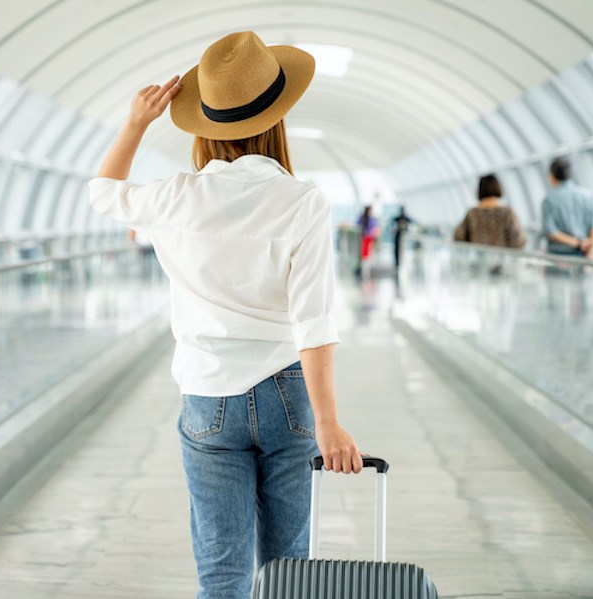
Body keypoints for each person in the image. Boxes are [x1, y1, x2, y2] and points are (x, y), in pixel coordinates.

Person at [87, 31, 362, 598]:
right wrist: (330, 423)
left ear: (206, 127)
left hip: (207, 397)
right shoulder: (303, 202)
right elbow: (314, 322)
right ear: (276, 120)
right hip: (288, 394)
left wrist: (136, 123)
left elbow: (102, 193)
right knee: (289, 570)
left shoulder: (173, 197)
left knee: (221, 571)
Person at [541, 157, 593, 258]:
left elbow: (552, 232)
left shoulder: (549, 200)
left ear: (552, 175)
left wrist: (578, 243)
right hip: (582, 254)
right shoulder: (587, 196)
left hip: (557, 257)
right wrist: (590, 252)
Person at [453, 174, 525, 249]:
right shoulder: (506, 212)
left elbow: (458, 236)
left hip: (478, 258)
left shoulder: (472, 213)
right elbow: (518, 240)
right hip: (502, 258)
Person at [357, 205, 379, 278]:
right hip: (368, 237)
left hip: (366, 237)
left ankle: (366, 267)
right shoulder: (370, 219)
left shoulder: (363, 218)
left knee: (366, 252)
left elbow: (357, 224)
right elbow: (374, 228)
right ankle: (366, 267)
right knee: (367, 251)